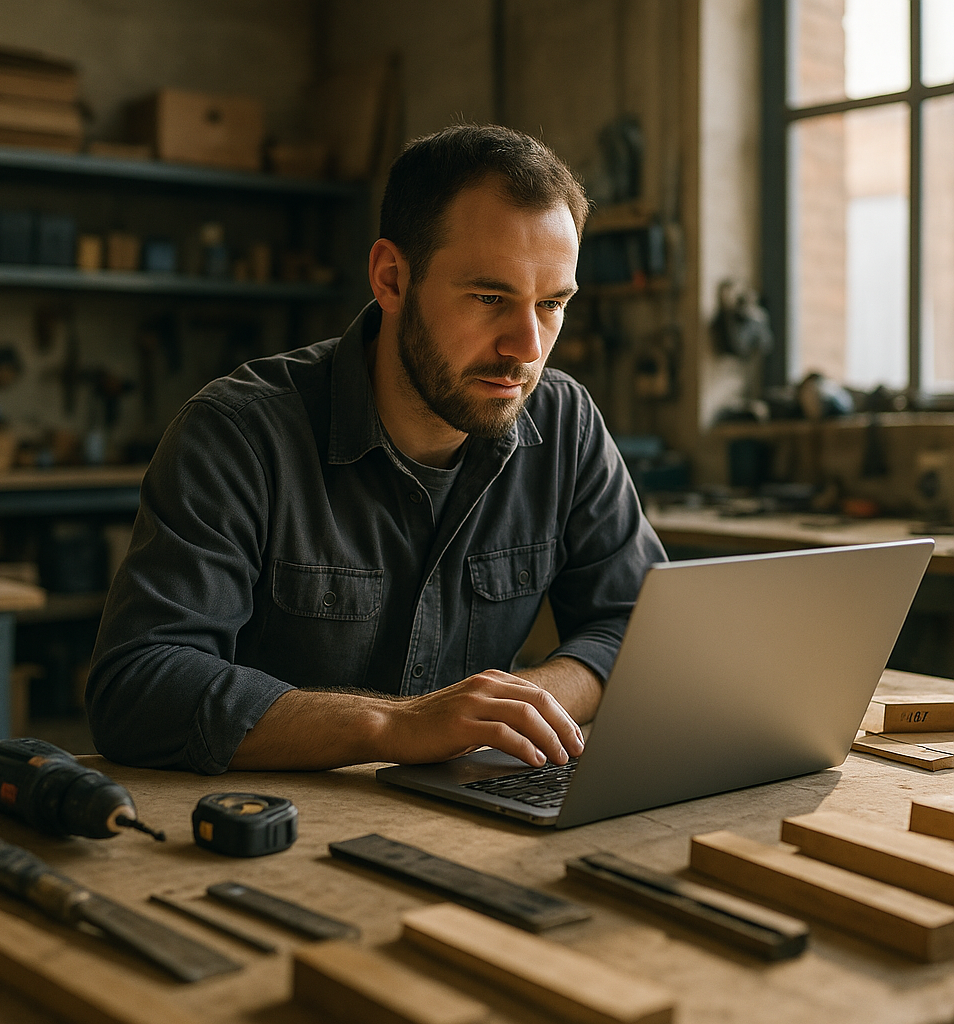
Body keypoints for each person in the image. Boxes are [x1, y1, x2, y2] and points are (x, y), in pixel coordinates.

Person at [86, 124, 666, 775]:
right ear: (391, 278)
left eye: (552, 303)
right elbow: (138, 687)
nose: (527, 348)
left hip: (462, 815)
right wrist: (393, 726)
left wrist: (522, 707)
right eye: (488, 298)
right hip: (270, 826)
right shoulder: (237, 434)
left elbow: (642, 629)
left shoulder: (567, 427)